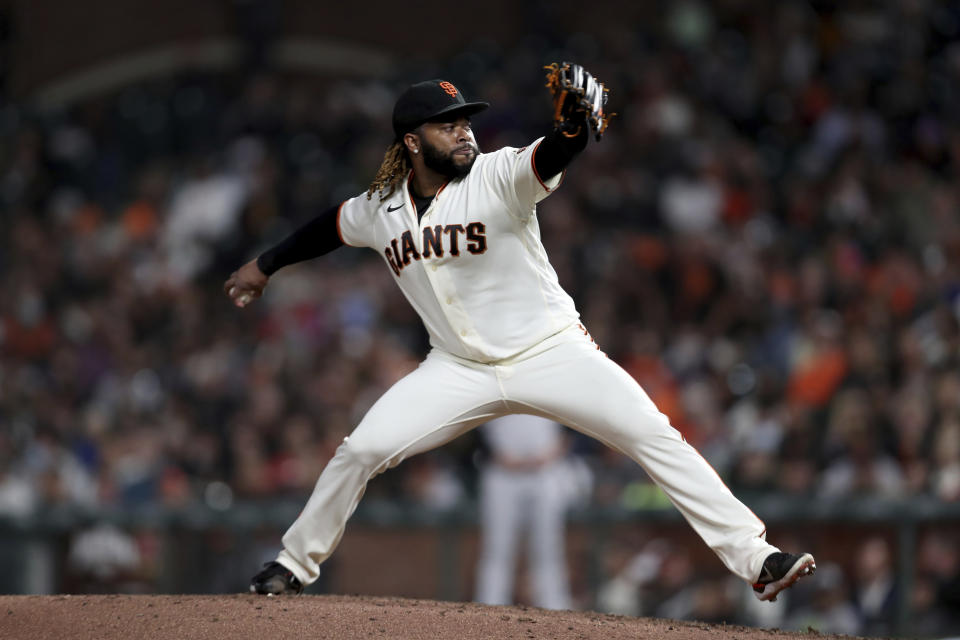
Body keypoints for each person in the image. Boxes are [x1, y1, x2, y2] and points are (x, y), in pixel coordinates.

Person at [225, 65, 816, 602]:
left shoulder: (497, 173)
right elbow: (328, 226)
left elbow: (552, 154)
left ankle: (757, 557)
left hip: (551, 351)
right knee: (360, 450)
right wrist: (265, 265)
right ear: (412, 142)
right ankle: (293, 566)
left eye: (465, 122)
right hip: (456, 368)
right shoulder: (381, 207)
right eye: (447, 126)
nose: (464, 133)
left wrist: (575, 128)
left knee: (652, 434)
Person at [474, 414, 579, 610]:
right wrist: (492, 453)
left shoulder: (552, 385)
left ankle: (556, 609)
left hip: (546, 471)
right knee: (497, 547)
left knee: (548, 548)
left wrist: (555, 451)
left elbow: (572, 423)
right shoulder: (492, 384)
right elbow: (473, 430)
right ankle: (488, 608)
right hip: (502, 472)